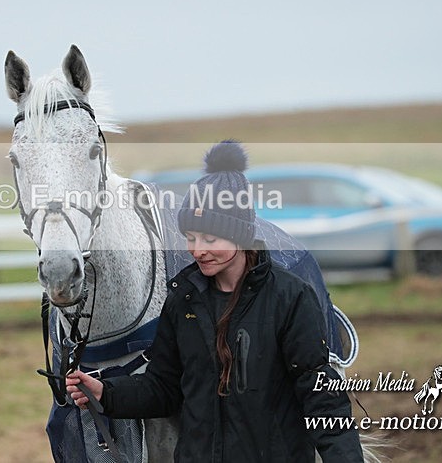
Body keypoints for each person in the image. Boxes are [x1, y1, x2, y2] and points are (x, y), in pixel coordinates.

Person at [66, 140, 363, 462]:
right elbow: (165, 387)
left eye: (209, 238)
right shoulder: (183, 300)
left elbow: (322, 397)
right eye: (190, 238)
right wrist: (106, 393)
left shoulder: (289, 297)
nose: (197, 250)